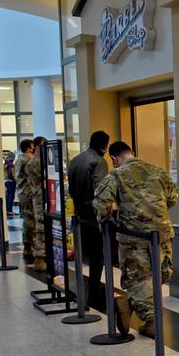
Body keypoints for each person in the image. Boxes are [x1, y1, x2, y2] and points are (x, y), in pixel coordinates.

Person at [93, 141, 178, 338]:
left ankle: (134, 305)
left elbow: (101, 202)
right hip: (161, 234)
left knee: (140, 277)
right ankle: (150, 320)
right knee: (158, 274)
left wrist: (105, 220)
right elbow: (173, 198)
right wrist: (155, 213)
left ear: (114, 158)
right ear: (132, 152)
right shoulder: (158, 171)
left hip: (134, 236)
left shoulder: (116, 174)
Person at [68, 131, 110, 311]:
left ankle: (81, 291)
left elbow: (70, 187)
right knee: (97, 256)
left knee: (82, 255)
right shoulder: (99, 162)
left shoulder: (76, 159)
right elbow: (99, 190)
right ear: (104, 146)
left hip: (79, 214)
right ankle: (93, 291)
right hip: (93, 216)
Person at [15, 138, 46, 271]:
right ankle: (35, 251)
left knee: (28, 220)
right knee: (34, 221)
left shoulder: (19, 158)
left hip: (23, 193)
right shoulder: (29, 159)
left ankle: (28, 247)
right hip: (31, 194)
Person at [3, 151, 16, 216]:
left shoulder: (5, 163)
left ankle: (7, 210)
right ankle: (9, 210)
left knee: (8, 196)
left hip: (6, 181)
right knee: (11, 196)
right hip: (11, 182)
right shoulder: (11, 164)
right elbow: (12, 173)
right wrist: (16, 180)